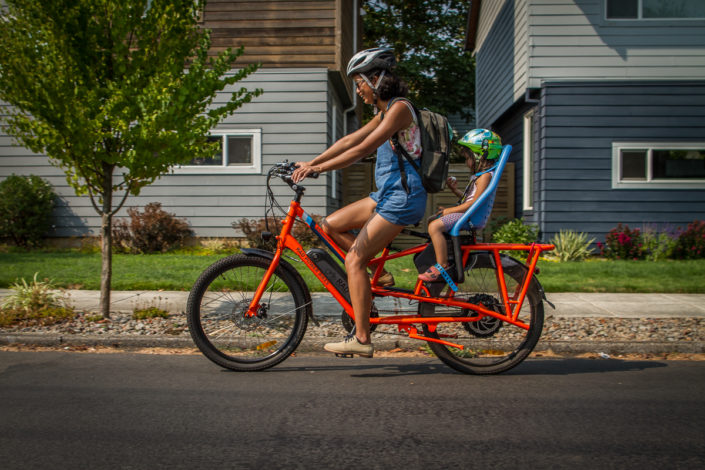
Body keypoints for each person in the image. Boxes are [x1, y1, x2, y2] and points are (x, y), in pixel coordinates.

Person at [291, 47, 427, 358]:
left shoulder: (400, 109)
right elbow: (349, 140)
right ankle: (377, 278)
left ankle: (362, 339)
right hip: (387, 194)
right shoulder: (384, 112)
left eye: (359, 82)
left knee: (353, 259)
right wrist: (310, 162)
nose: (358, 89)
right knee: (330, 225)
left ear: (376, 78)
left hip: (402, 198)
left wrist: (319, 169)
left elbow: (363, 148)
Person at [418, 129, 503, 284]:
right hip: (468, 215)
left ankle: (442, 265)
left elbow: (474, 204)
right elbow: (470, 200)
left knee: (435, 227)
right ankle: (442, 256)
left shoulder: (485, 177)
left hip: (470, 218)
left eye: (467, 157)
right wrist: (454, 190)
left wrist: (450, 210)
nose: (466, 162)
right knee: (433, 221)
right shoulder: (481, 176)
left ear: (480, 155)